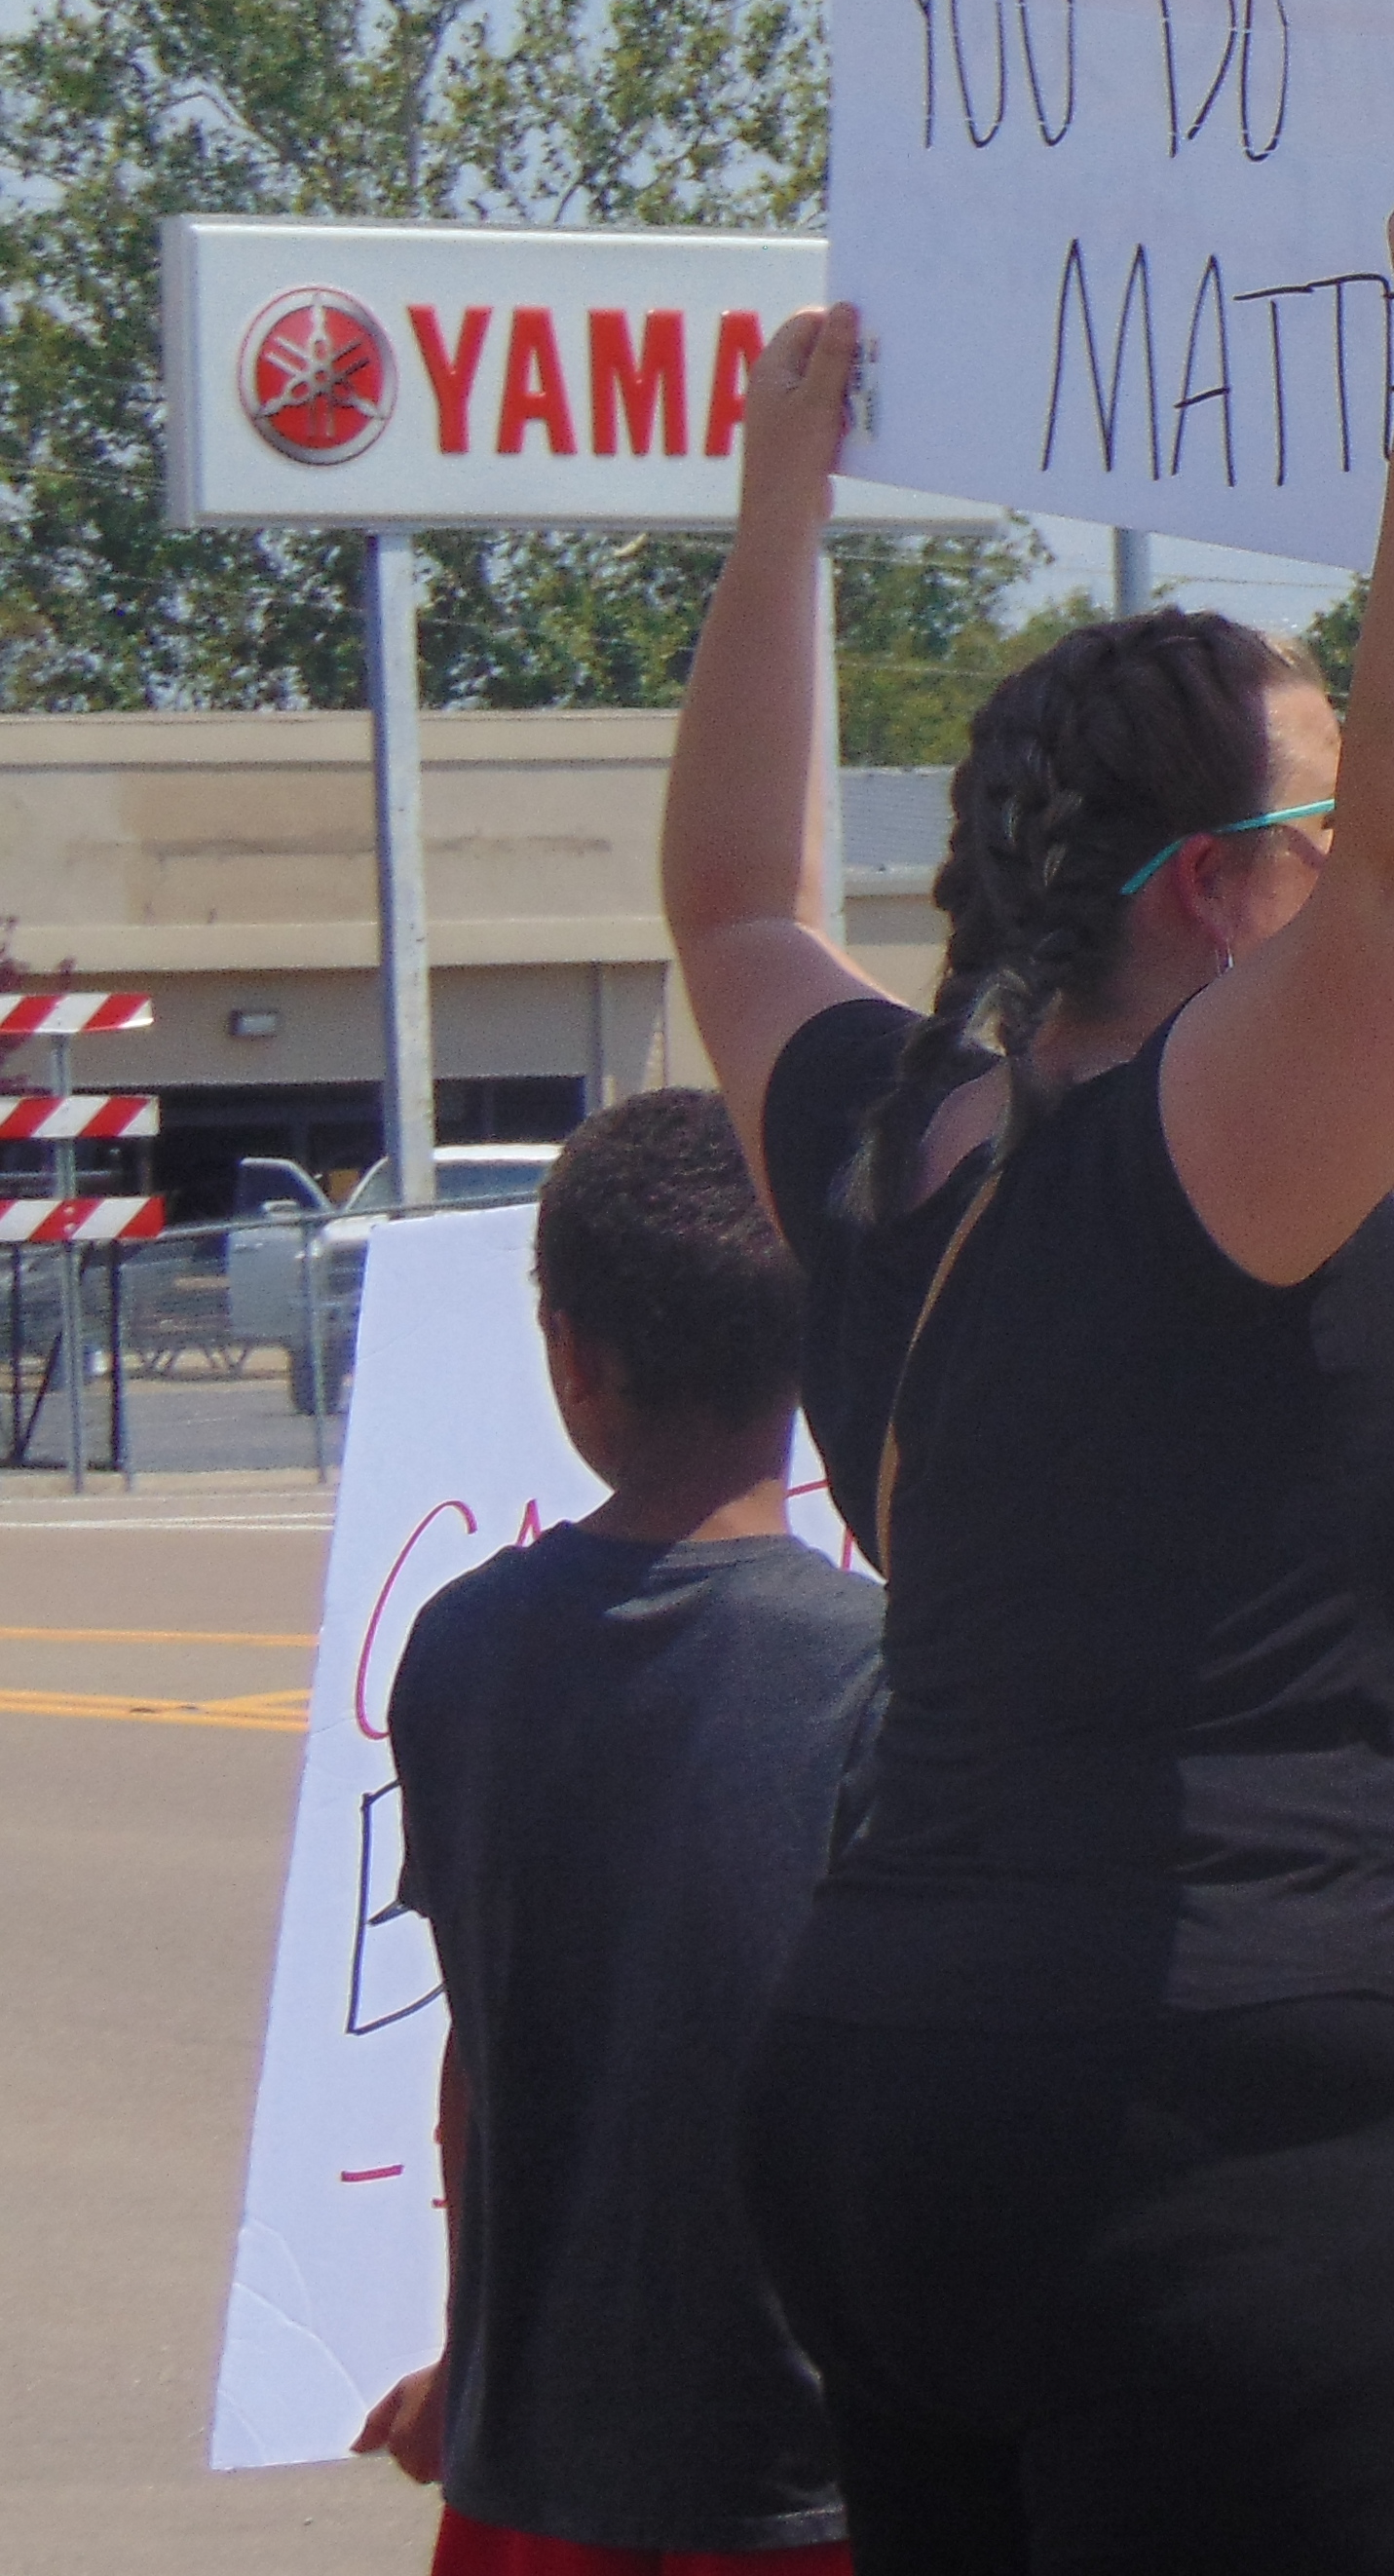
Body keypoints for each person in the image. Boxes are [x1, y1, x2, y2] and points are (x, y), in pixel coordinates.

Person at [657, 159, 1394, 2576]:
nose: (1356, 854)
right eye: (1313, 812)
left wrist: (781, 517)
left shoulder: (896, 1146)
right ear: (1215, 887)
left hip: (893, 2110)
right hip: (1210, 2136)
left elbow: (734, 903)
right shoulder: (1219, 1157)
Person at [354, 1088, 882, 2576]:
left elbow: (481, 2053)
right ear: (805, 1347)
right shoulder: (885, 1676)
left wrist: (470, 2357)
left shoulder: (458, 1655)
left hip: (538, 2466)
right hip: (815, 2472)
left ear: (570, 1355)